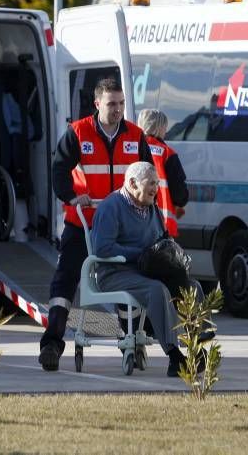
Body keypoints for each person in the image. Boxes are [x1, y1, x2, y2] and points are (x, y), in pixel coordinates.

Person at [38, 77, 153, 371]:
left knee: (126, 282)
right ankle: (51, 344)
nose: (117, 110)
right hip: (83, 223)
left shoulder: (136, 136)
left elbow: (148, 175)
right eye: (112, 104)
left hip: (123, 226)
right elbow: (59, 169)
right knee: (65, 279)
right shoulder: (78, 133)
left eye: (121, 104)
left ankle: (133, 340)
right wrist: (71, 196)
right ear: (97, 103)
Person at [92, 161, 204, 377]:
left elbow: (162, 239)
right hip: (116, 273)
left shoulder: (151, 208)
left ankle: (196, 345)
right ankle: (173, 355)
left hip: (149, 268)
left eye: (157, 183)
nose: (156, 188)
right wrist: (141, 253)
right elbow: (103, 249)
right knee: (157, 290)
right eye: (151, 183)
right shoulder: (111, 207)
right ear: (133, 183)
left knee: (193, 287)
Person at [136, 108, 188, 237]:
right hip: (160, 225)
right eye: (165, 127)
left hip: (131, 222)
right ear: (159, 128)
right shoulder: (167, 153)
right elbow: (179, 194)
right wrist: (181, 203)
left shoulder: (131, 148)